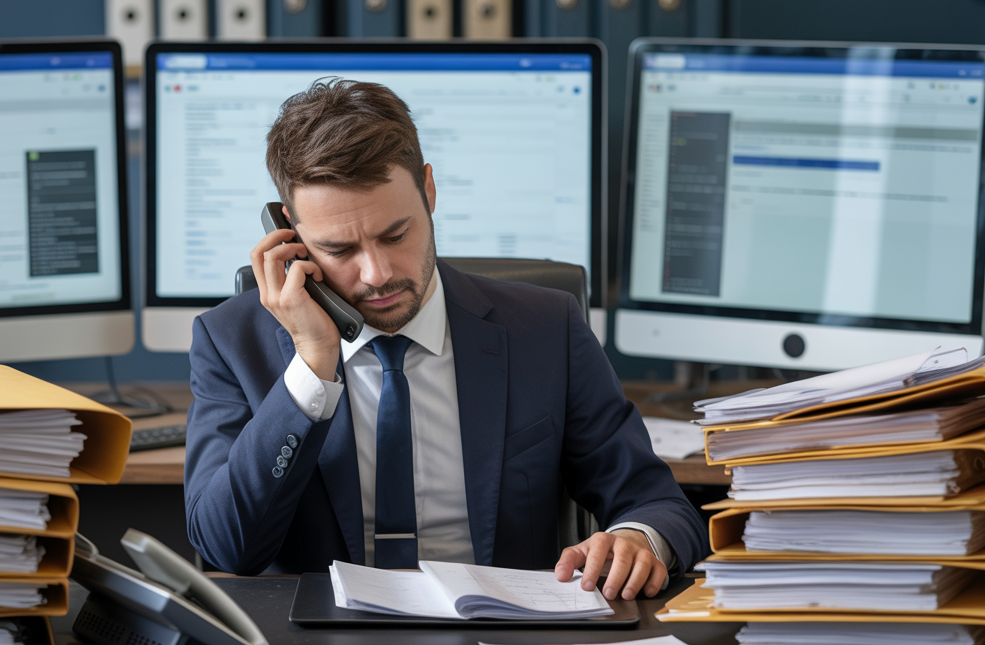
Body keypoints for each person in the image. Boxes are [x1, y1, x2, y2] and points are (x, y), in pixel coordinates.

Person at [185, 79, 706, 601]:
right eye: (338, 249)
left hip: (505, 636)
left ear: (429, 191)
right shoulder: (231, 340)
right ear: (292, 237)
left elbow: (657, 503)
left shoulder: (547, 327)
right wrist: (312, 367)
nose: (376, 274)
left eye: (395, 235)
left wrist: (637, 539)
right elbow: (228, 548)